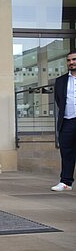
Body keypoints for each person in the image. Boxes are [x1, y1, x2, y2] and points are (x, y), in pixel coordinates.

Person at [51, 50, 76, 192]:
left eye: (74, 59)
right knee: (67, 152)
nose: (71, 63)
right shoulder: (60, 81)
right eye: (69, 60)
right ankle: (66, 182)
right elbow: (59, 100)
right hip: (67, 121)